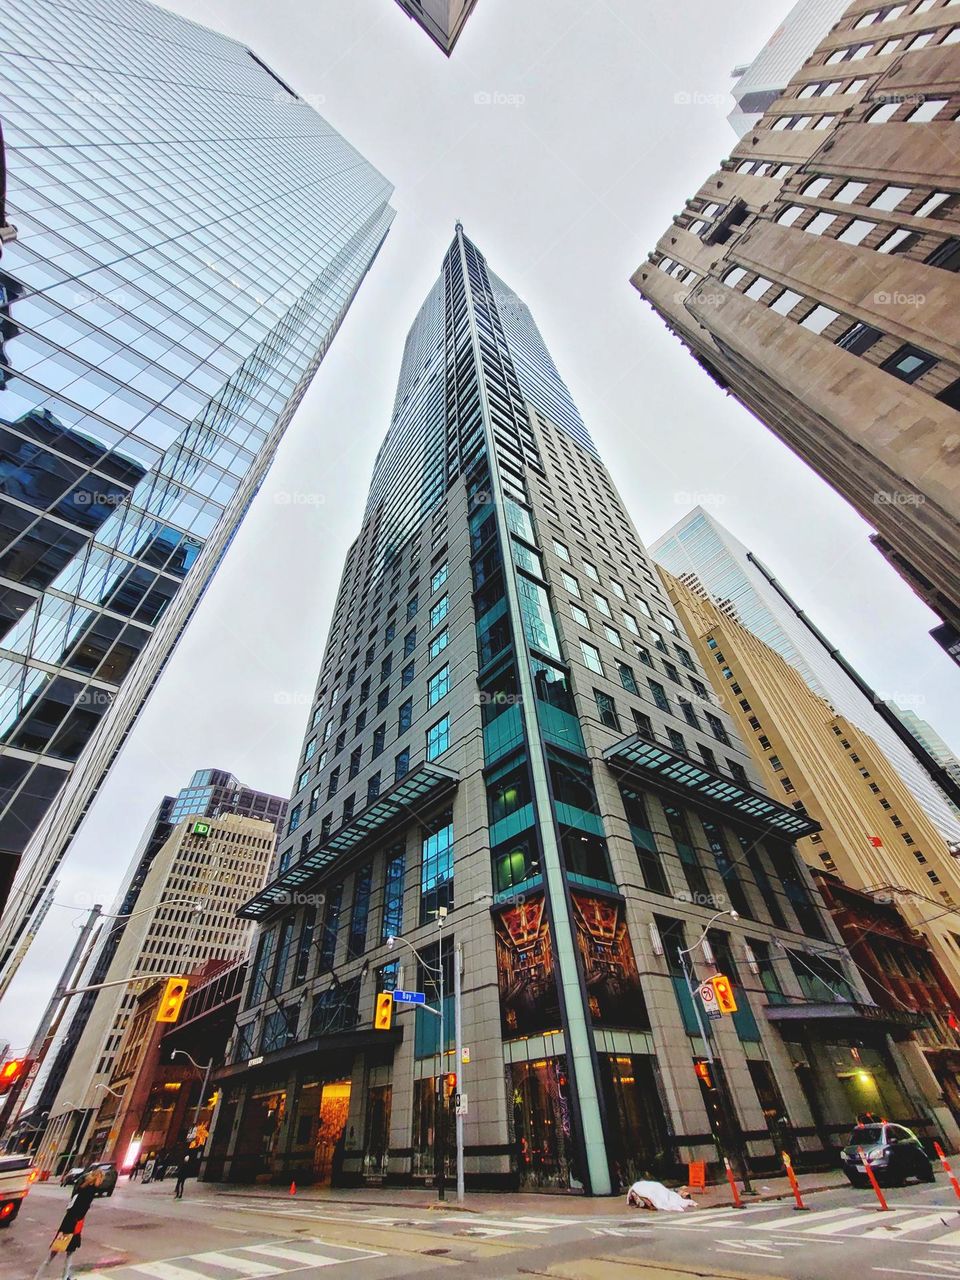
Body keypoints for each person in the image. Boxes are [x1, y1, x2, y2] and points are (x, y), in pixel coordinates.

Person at [34, 1168, 104, 1278]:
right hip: (73, 1225)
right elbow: (81, 1210)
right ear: (97, 1178)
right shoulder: (90, 1192)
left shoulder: (82, 1189)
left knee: (56, 1254)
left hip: (68, 1223)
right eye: (101, 1179)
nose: (101, 1182)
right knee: (67, 1254)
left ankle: (41, 1276)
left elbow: (71, 1207)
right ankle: (61, 1277)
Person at [626, 1179, 696, 1212]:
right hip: (656, 1187)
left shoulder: (637, 1188)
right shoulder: (638, 1187)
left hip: (655, 1189)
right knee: (667, 1196)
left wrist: (651, 1206)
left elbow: (647, 1197)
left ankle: (681, 1198)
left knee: (666, 1198)